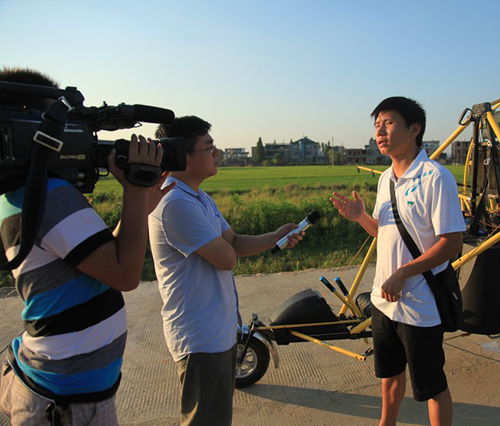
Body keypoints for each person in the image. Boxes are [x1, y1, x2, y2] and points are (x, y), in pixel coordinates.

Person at [0, 67, 174, 424]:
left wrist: (139, 203)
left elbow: (100, 259)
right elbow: (124, 274)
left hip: (61, 385)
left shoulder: (25, 193)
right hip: (65, 397)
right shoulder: (51, 196)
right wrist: (135, 191)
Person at [148, 116, 303, 426]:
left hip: (217, 332)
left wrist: (276, 236)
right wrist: (229, 247)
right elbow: (227, 258)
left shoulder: (198, 197)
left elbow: (233, 242)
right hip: (199, 337)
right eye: (209, 147)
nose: (216, 153)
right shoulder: (175, 203)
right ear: (183, 155)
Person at [330, 96, 464, 426]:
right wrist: (361, 217)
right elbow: (384, 232)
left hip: (420, 305)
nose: (380, 132)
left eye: (388, 123)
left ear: (414, 128)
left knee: (432, 387)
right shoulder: (385, 178)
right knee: (389, 378)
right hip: (383, 300)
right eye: (377, 126)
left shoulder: (436, 177)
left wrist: (404, 273)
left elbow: (452, 243)